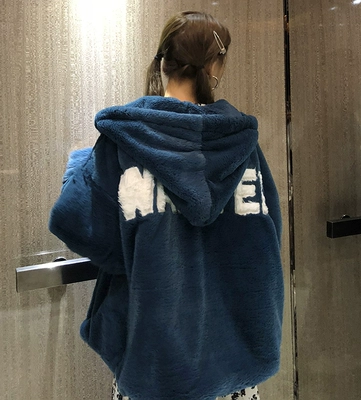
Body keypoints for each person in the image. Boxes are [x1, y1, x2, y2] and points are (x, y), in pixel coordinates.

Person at [49, 11, 284, 400]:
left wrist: (79, 167)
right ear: (215, 67)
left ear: (162, 62)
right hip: (233, 365)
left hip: (153, 367)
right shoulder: (243, 146)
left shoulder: (125, 141)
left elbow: (81, 229)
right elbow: (266, 244)